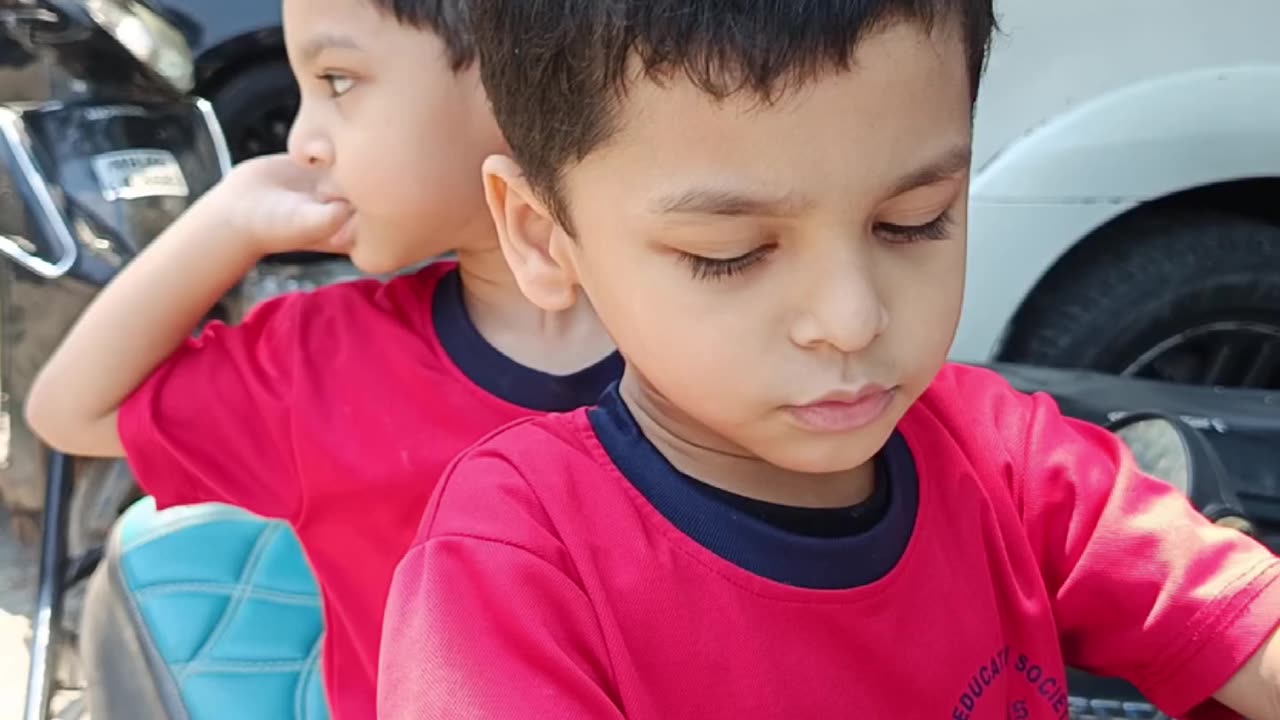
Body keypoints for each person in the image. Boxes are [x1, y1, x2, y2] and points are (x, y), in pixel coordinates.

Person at [377, 1, 1280, 718]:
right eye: (728, 251)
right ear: (543, 236)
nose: (851, 320)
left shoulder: (1004, 460)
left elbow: (1238, 614)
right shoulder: (515, 571)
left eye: (913, 221)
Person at [24, 0, 619, 717]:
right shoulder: (320, 366)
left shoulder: (712, 332)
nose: (302, 141)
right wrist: (227, 221)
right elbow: (69, 410)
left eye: (337, 81)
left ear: (517, 70)